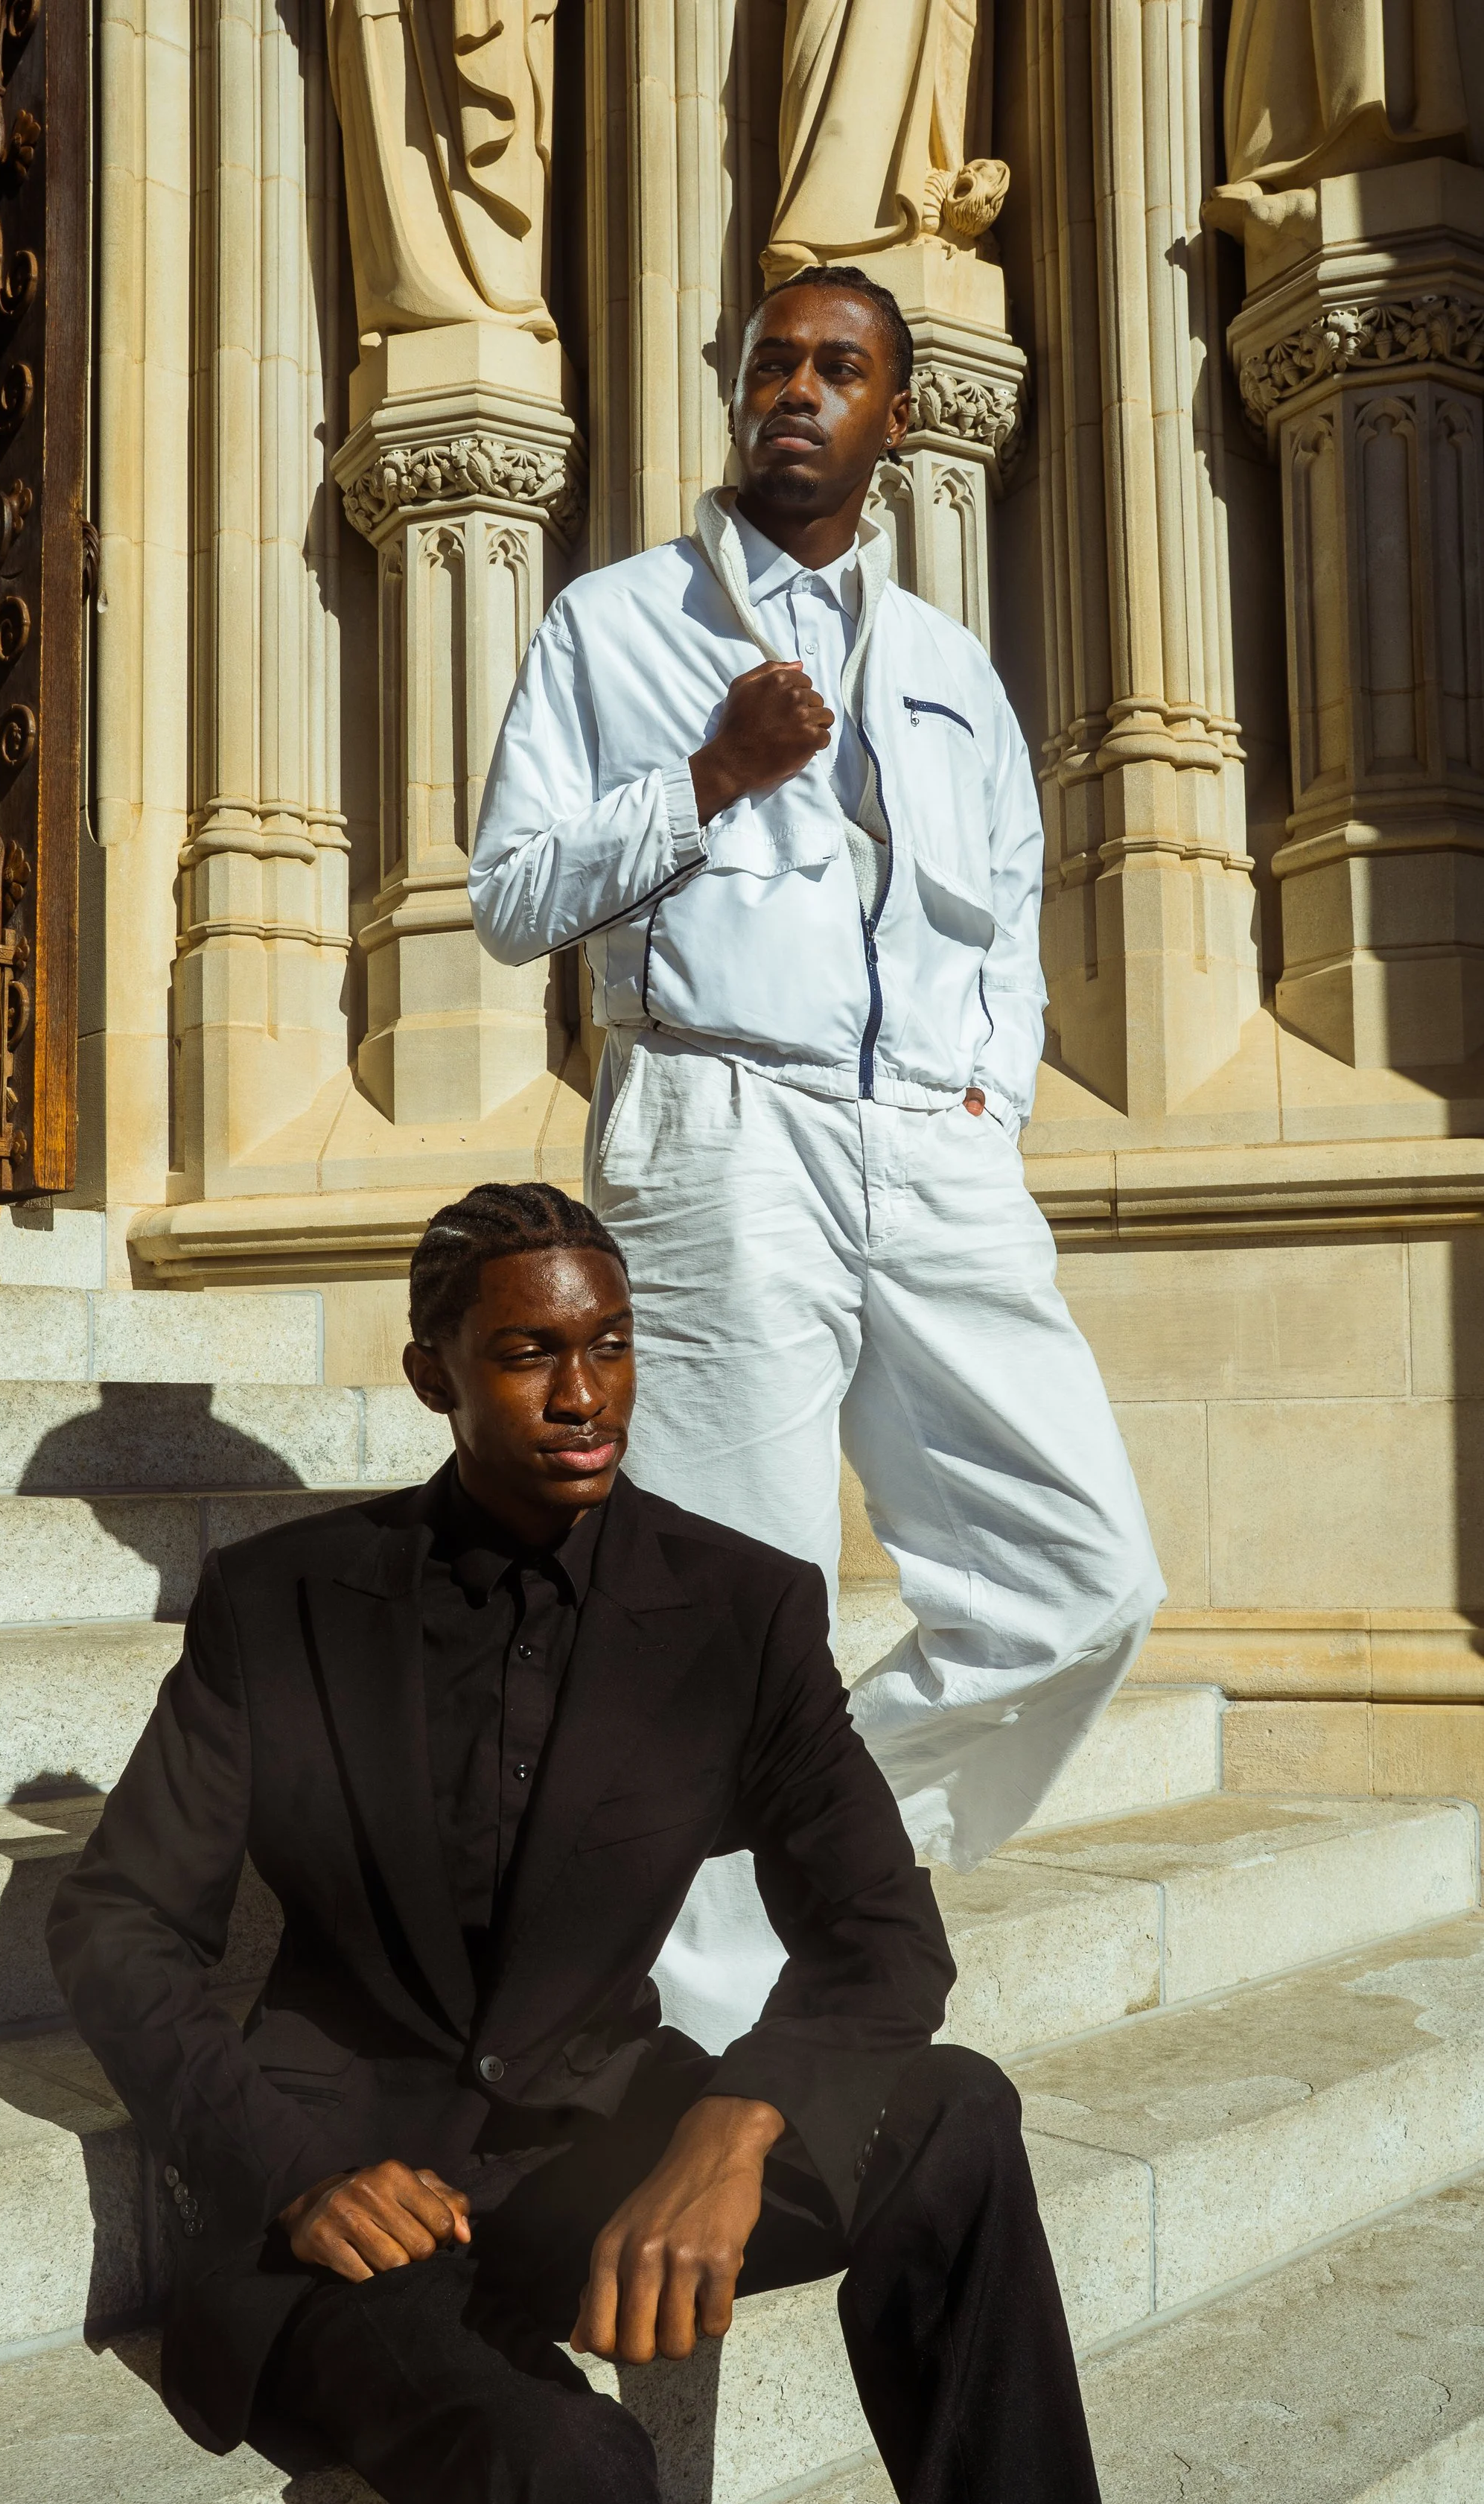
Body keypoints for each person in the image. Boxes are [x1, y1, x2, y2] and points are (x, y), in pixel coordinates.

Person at [48, 1180, 1149, 2504]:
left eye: (610, 1346)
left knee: (955, 2116)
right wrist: (288, 2176)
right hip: (354, 2197)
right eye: (526, 1354)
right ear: (431, 1373)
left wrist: (735, 2126)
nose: (583, 1394)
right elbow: (121, 1921)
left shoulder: (735, 1611)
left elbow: (879, 1937)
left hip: (591, 2150)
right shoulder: (281, 1605)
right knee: (567, 2458)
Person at [468, 263, 1165, 2055]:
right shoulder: (609, 627)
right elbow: (506, 898)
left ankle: (812, 1853)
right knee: (735, 1611)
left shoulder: (948, 669)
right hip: (721, 1131)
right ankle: (707, 2057)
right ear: (735, 388)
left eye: (836, 367)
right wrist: (702, 781)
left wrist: (983, 1112)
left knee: (1084, 1581)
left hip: (929, 1154)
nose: (795, 389)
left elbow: (1004, 917)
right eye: (770, 360)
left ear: (892, 413)